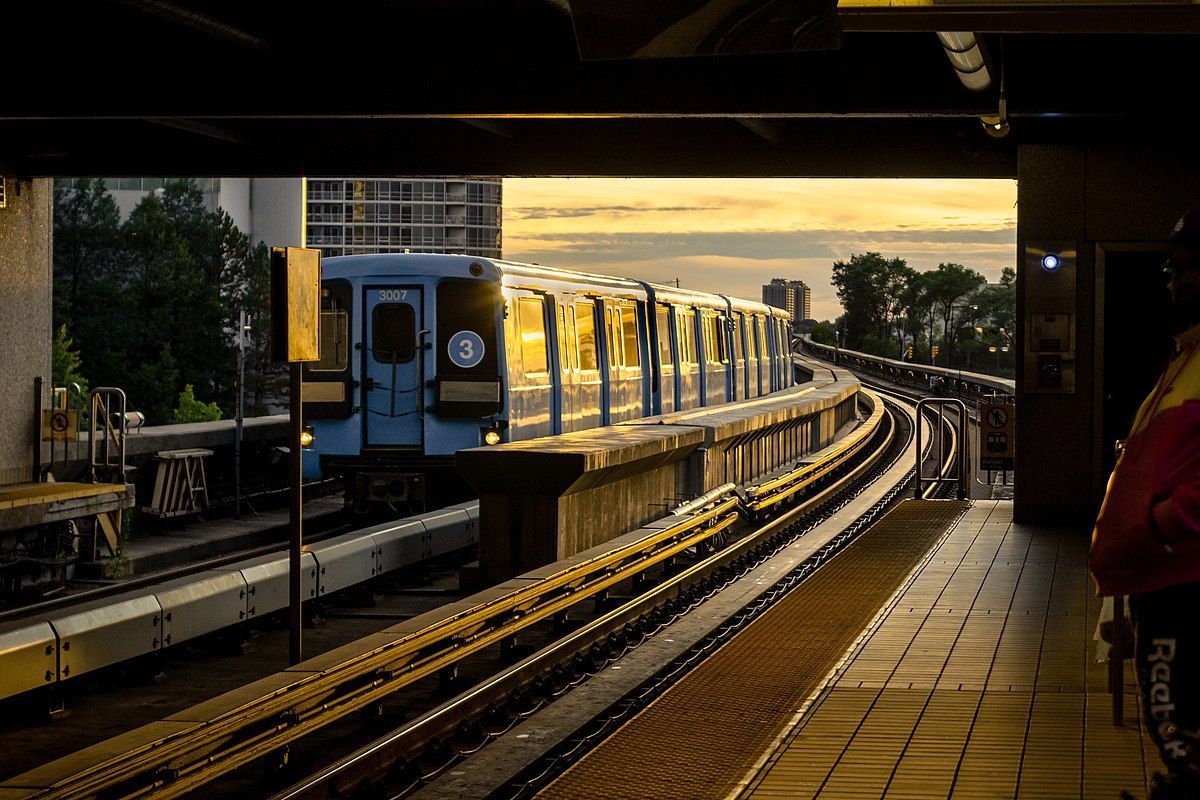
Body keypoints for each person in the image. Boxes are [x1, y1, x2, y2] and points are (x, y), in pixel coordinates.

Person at [1093, 202, 1200, 800]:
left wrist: (1162, 523)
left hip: (1185, 574)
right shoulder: (1187, 355)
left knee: (1181, 720)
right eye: (1176, 268)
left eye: (1192, 267)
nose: (1178, 280)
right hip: (1165, 574)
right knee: (1173, 721)